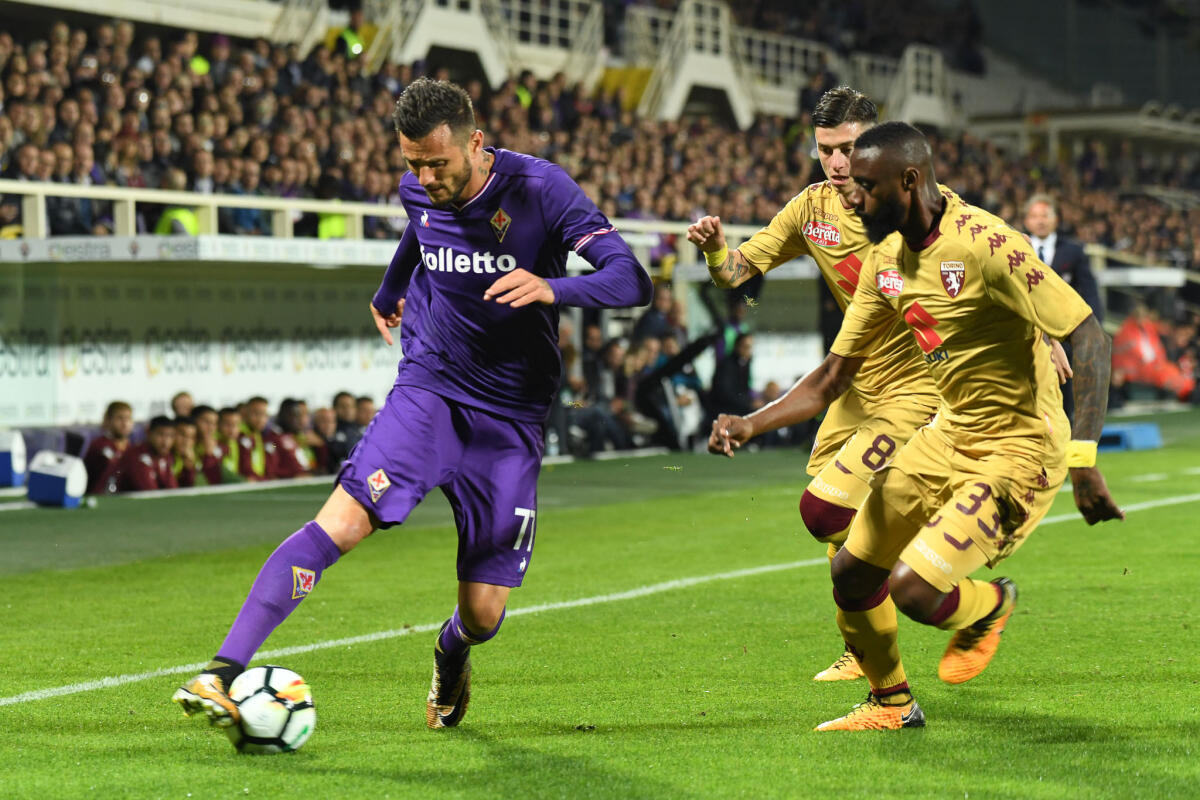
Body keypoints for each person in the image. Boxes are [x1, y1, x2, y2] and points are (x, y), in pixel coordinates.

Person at [173, 78, 651, 731]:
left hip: (511, 417)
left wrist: (552, 285)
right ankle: (220, 672)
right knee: (340, 524)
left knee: (483, 615)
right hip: (430, 390)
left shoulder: (541, 189)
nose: (425, 177)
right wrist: (390, 286)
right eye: (412, 164)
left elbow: (631, 277)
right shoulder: (417, 188)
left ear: (476, 144)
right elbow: (420, 228)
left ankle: (450, 651)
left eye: (438, 163)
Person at [708, 122, 1123, 731]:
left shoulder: (985, 243)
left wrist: (1085, 461)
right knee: (851, 570)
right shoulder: (885, 262)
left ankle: (991, 604)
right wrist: (752, 422)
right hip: (946, 434)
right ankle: (891, 703)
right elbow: (832, 376)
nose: (853, 198)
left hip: (1018, 447)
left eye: (867, 188)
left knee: (915, 590)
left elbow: (1089, 338)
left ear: (909, 181)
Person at [687, 87, 942, 682]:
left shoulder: (915, 207)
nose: (836, 163)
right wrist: (716, 250)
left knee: (826, 509)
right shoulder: (810, 210)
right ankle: (866, 644)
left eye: (849, 148)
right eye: (826, 150)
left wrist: (1041, 335)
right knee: (834, 517)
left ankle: (930, 565)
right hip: (853, 383)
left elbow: (986, 267)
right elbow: (737, 271)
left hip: (915, 387)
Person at [1023, 193, 1104, 421]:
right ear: (1027, 220)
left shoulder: (1074, 251)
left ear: (1056, 219)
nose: (1040, 221)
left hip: (1065, 339)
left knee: (1065, 400)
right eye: (1035, 216)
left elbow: (1089, 294)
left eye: (1045, 215)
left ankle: (1065, 449)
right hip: (1026, 338)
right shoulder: (1015, 247)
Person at [116, 416, 179, 491]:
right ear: (148, 433)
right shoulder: (136, 457)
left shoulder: (166, 457)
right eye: (161, 435)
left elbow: (173, 490)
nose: (165, 442)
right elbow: (150, 494)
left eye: (170, 436)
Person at [83, 400, 134, 494]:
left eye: (128, 418)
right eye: (120, 418)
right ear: (108, 420)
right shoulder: (99, 445)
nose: (125, 423)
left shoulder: (131, 448)